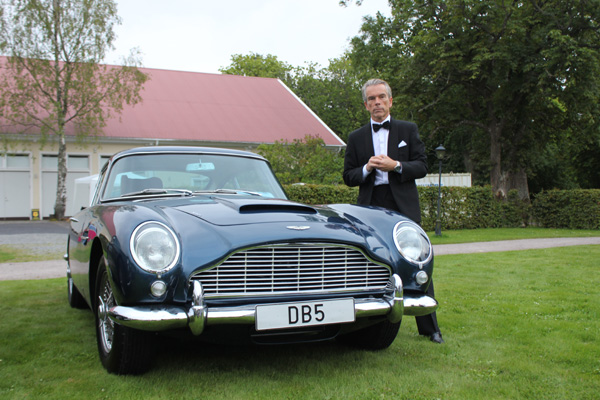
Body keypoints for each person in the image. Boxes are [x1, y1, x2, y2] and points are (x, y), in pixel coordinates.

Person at [343, 78, 444, 344]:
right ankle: (364, 324)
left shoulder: (407, 130)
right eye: (372, 99)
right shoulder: (356, 137)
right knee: (369, 261)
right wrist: (367, 168)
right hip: (370, 207)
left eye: (381, 97)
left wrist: (396, 165)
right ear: (366, 105)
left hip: (403, 205)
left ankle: (431, 328)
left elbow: (422, 166)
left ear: (390, 101)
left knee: (416, 261)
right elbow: (348, 176)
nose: (377, 102)